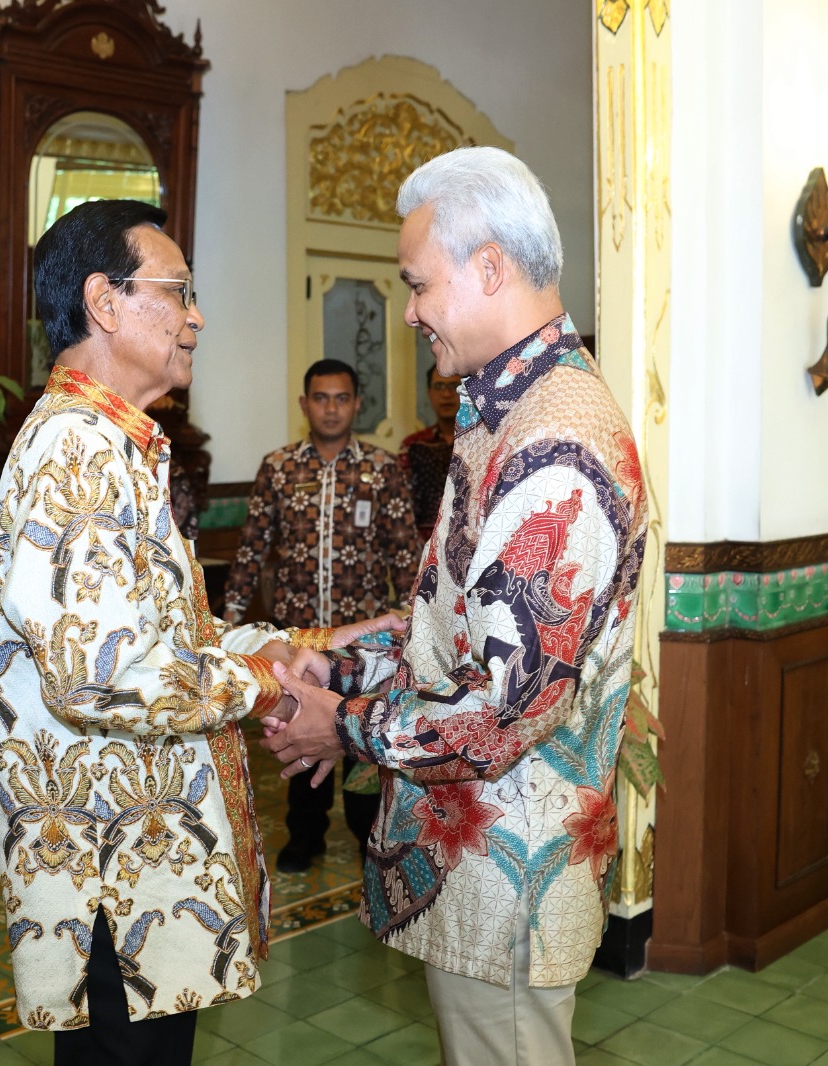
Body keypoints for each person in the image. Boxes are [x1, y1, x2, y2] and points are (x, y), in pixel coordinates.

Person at [260, 147, 648, 1066]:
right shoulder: (503, 415)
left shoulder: (556, 443)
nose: (410, 312)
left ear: (490, 268)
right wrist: (343, 666)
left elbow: (500, 711)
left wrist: (340, 724)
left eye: (417, 284)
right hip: (475, 860)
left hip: (507, 873)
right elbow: (464, 624)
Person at [0, 199, 396, 1065]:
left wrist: (295, 643)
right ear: (105, 302)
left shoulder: (114, 444)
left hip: (141, 865)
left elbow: (167, 636)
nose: (196, 317)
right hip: (109, 874)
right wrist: (269, 689)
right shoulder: (75, 452)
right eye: (178, 291)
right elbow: (99, 676)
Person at [223, 360, 419, 872]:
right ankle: (303, 836)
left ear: (357, 404)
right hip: (297, 641)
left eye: (341, 398)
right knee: (298, 731)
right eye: (321, 397)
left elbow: (404, 551)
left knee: (360, 743)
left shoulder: (382, 469)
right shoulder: (279, 468)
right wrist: (230, 620)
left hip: (362, 648)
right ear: (304, 404)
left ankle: (366, 835)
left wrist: (415, 619)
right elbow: (251, 551)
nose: (331, 408)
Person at [400, 365, 462, 543]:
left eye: (453, 386)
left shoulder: (477, 443)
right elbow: (402, 503)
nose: (446, 394)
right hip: (422, 545)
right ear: (429, 393)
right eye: (439, 386)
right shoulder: (414, 445)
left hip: (468, 542)